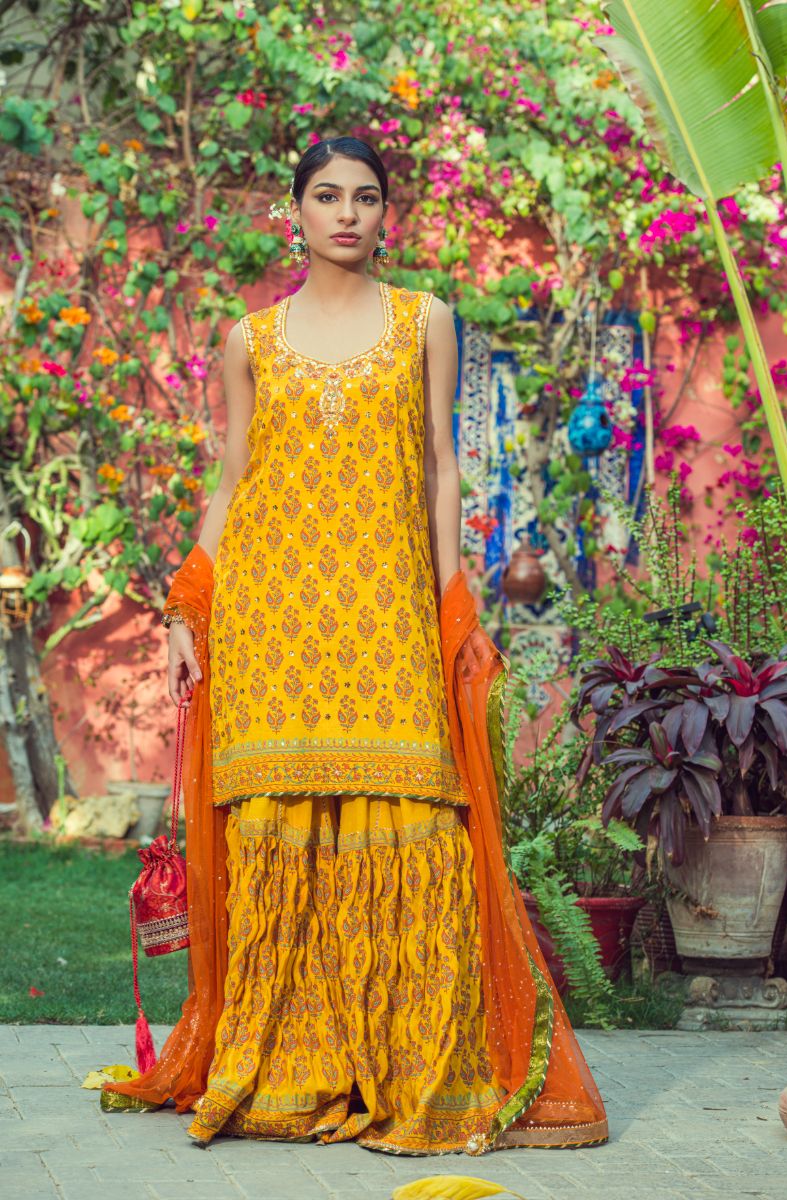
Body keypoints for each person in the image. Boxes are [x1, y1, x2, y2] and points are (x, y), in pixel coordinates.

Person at [102, 135, 608, 1155]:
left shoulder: (425, 320)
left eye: (365, 197)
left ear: (386, 213)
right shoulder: (250, 339)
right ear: (294, 211)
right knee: (279, 822)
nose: (346, 213)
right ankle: (290, 1071)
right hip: (273, 618)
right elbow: (234, 479)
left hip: (386, 609)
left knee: (416, 821)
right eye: (326, 195)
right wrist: (188, 607)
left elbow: (441, 468)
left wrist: (450, 596)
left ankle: (414, 1071)